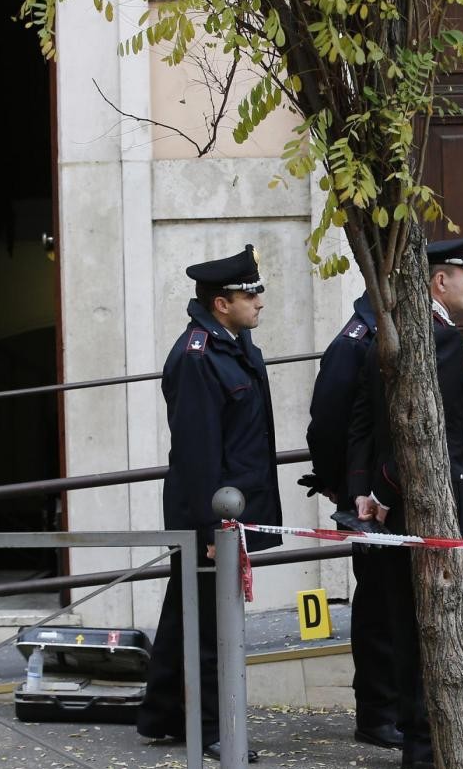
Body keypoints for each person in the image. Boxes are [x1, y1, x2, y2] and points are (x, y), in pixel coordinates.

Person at [136, 244, 282, 764]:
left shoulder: (236, 345)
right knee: (210, 627)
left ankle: (162, 714)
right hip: (213, 517)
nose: (260, 302)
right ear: (223, 303)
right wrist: (213, 532)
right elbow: (198, 457)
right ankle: (213, 730)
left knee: (186, 614)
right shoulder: (198, 356)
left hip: (233, 511)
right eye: (251, 294)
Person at [346, 229, 463, 769]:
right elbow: (428, 433)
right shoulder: (436, 337)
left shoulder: (390, 326)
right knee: (433, 625)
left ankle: (421, 745)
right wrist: (380, 491)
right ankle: (429, 748)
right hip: (426, 503)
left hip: (390, 501)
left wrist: (364, 489)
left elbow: (362, 421)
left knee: (406, 624)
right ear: (440, 280)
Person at [302, 292, 403, 750]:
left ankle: (396, 708)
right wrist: (339, 484)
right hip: (365, 499)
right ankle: (378, 714)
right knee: (378, 607)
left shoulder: (391, 330)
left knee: (394, 606)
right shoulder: (356, 339)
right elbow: (327, 421)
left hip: (381, 494)